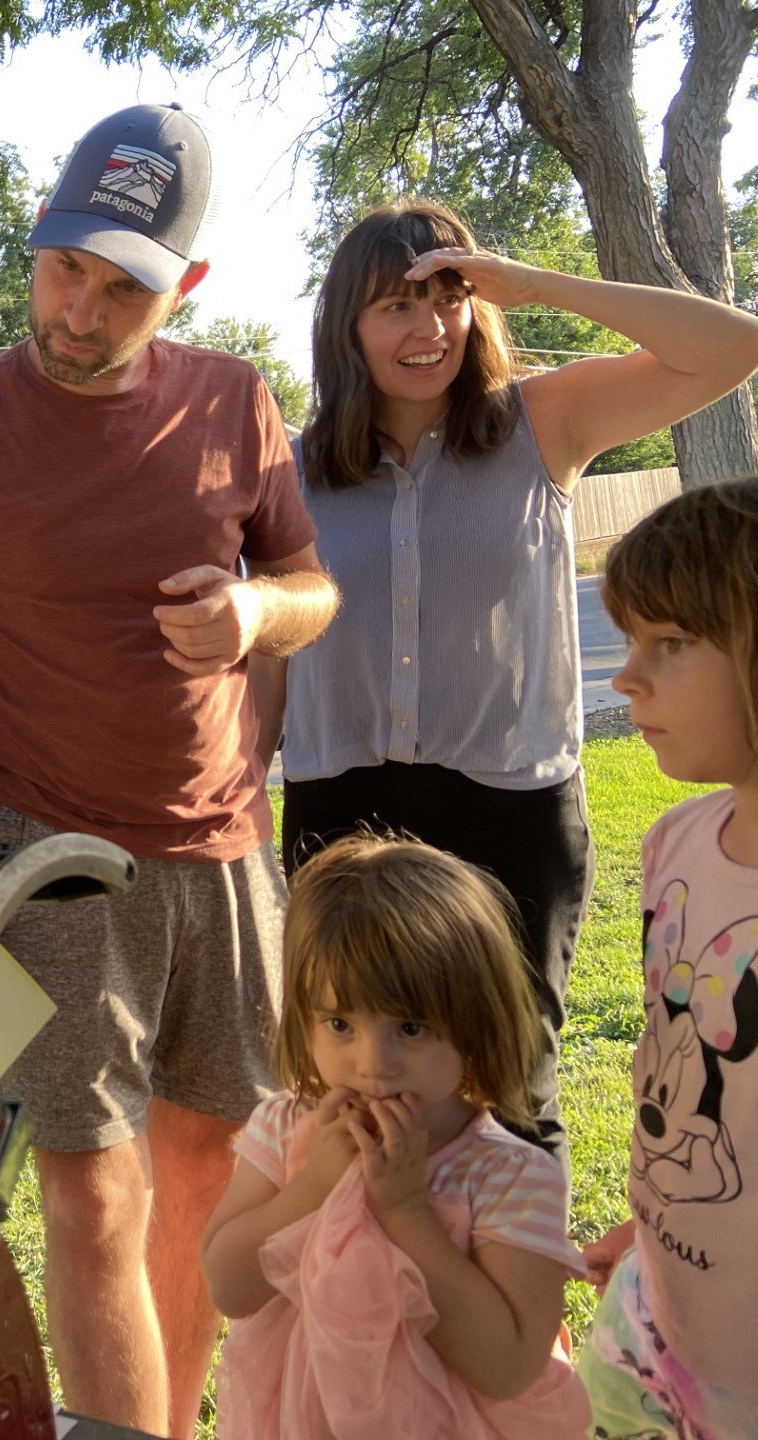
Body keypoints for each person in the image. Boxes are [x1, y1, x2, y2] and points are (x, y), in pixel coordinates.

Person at [0, 104, 338, 1437]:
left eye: (121, 287)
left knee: (200, 1168)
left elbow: (311, 588)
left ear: (183, 287)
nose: (77, 309)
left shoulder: (234, 401)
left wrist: (255, 616)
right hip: (49, 853)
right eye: (63, 266)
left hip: (227, 853)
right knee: (88, 1189)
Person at [274, 199, 758, 1160]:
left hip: (511, 807)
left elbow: (733, 347)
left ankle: (524, 1311)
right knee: (362, 1104)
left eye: (448, 297)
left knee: (510, 1096)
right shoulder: (294, 468)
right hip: (341, 802)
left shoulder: (544, 421)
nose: (429, 328)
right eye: (394, 306)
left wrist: (532, 281)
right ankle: (384, 1304)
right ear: (345, 327)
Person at [200, 834, 589, 1439]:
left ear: (475, 1023)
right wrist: (311, 1189)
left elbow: (509, 1366)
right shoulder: (284, 1130)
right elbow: (228, 1285)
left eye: (410, 1027)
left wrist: (407, 1212)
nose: (372, 1061)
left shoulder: (509, 1176)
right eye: (340, 1023)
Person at [577, 479, 758, 1439]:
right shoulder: (675, 845)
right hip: (655, 1339)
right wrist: (657, 1238)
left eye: (671, 645)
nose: (624, 678)